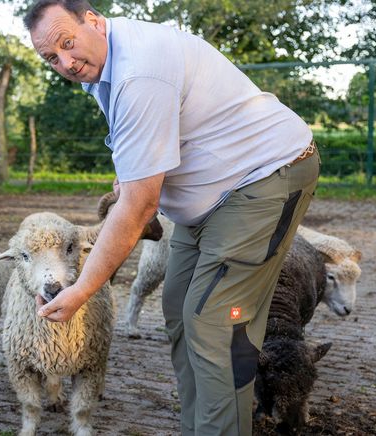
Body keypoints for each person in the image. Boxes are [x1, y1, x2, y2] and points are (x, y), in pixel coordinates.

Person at [24, 1, 321, 435]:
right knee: (181, 308)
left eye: (68, 44)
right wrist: (131, 172)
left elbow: (140, 207)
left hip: (265, 178)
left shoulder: (138, 71)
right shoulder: (104, 65)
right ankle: (201, 426)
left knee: (215, 322)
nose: (65, 63)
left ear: (93, 21)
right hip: (211, 195)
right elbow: (143, 144)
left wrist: (83, 288)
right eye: (51, 58)